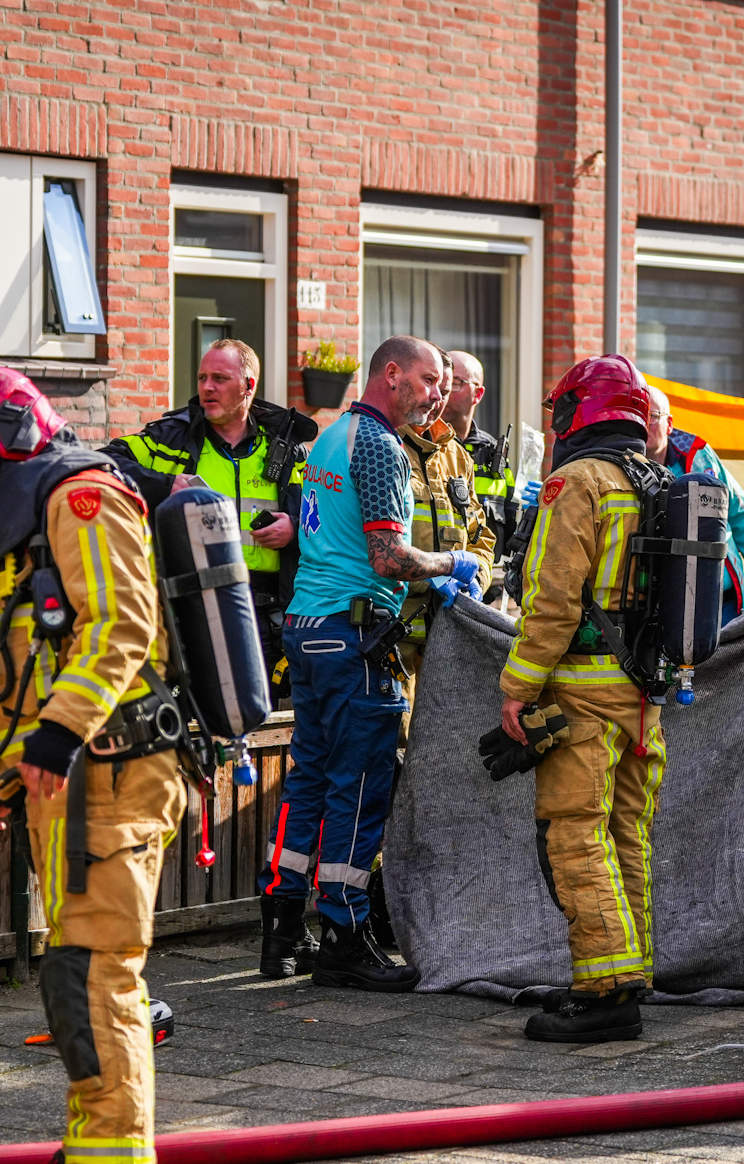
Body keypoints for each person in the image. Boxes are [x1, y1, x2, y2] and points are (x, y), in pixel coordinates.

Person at [0, 366, 187, 1164]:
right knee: (74, 970)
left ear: (10, 432)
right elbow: (31, 665)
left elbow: (122, 627)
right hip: (69, 781)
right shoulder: (18, 529)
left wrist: (59, 737)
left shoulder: (82, 499)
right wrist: (12, 768)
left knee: (96, 972)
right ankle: (92, 1151)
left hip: (113, 775)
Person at [258, 335, 482, 988]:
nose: (438, 392)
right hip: (354, 633)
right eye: (429, 378)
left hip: (308, 627)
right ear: (392, 374)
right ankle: (345, 938)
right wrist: (453, 564)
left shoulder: (330, 437)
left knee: (310, 782)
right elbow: (388, 558)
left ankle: (282, 929)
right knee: (357, 788)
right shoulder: (381, 446)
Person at [499, 353, 667, 1044]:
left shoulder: (577, 481)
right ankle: (629, 970)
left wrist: (517, 686)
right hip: (641, 695)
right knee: (625, 831)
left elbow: (552, 596)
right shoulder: (654, 479)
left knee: (575, 832)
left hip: (585, 692)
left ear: (579, 412)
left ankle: (603, 992)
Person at [108, 339, 317, 707]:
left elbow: (325, 516)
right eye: (203, 377)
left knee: (260, 719)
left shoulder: (284, 447)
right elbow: (104, 462)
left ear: (249, 386)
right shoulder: (170, 440)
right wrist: (164, 484)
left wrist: (295, 529)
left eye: (219, 378)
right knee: (196, 720)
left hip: (266, 613)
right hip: (190, 607)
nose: (206, 387)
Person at [393, 346, 495, 738]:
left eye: (447, 390)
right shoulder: (387, 444)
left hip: (448, 640)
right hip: (395, 637)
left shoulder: (456, 456)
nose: (439, 401)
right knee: (393, 753)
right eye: (435, 388)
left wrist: (477, 579)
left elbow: (480, 536)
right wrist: (431, 573)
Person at [645, 384, 744, 621]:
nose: (645, 425)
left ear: (670, 423)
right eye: (638, 417)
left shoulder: (699, 455)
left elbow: (741, 513)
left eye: (652, 416)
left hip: (725, 601)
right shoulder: (620, 467)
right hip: (663, 606)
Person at [441, 350, 532, 582]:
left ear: (478, 394)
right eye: (441, 380)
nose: (444, 389)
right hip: (429, 584)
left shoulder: (494, 455)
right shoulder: (418, 445)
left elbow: (510, 525)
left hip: (483, 584)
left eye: (456, 383)